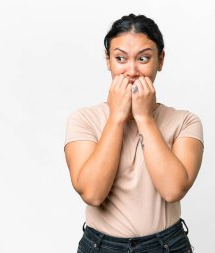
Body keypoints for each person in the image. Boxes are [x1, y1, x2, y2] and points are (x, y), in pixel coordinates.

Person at [64, 13, 204, 253]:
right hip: (101, 246)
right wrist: (117, 117)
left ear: (160, 61)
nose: (131, 70)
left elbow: (172, 190)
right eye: (120, 58)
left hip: (166, 245)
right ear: (108, 61)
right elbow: (93, 193)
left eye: (143, 58)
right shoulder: (84, 119)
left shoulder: (185, 121)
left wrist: (144, 118)